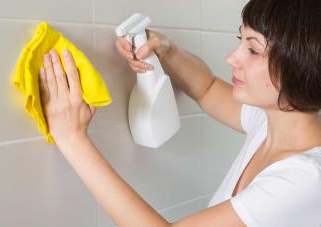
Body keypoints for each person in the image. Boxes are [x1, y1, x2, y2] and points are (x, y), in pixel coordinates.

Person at [38, 0, 321, 226]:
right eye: (241, 40)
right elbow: (207, 89)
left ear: (299, 64)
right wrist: (162, 49)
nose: (232, 57)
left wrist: (73, 139)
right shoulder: (270, 121)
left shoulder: (305, 179)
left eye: (253, 49)